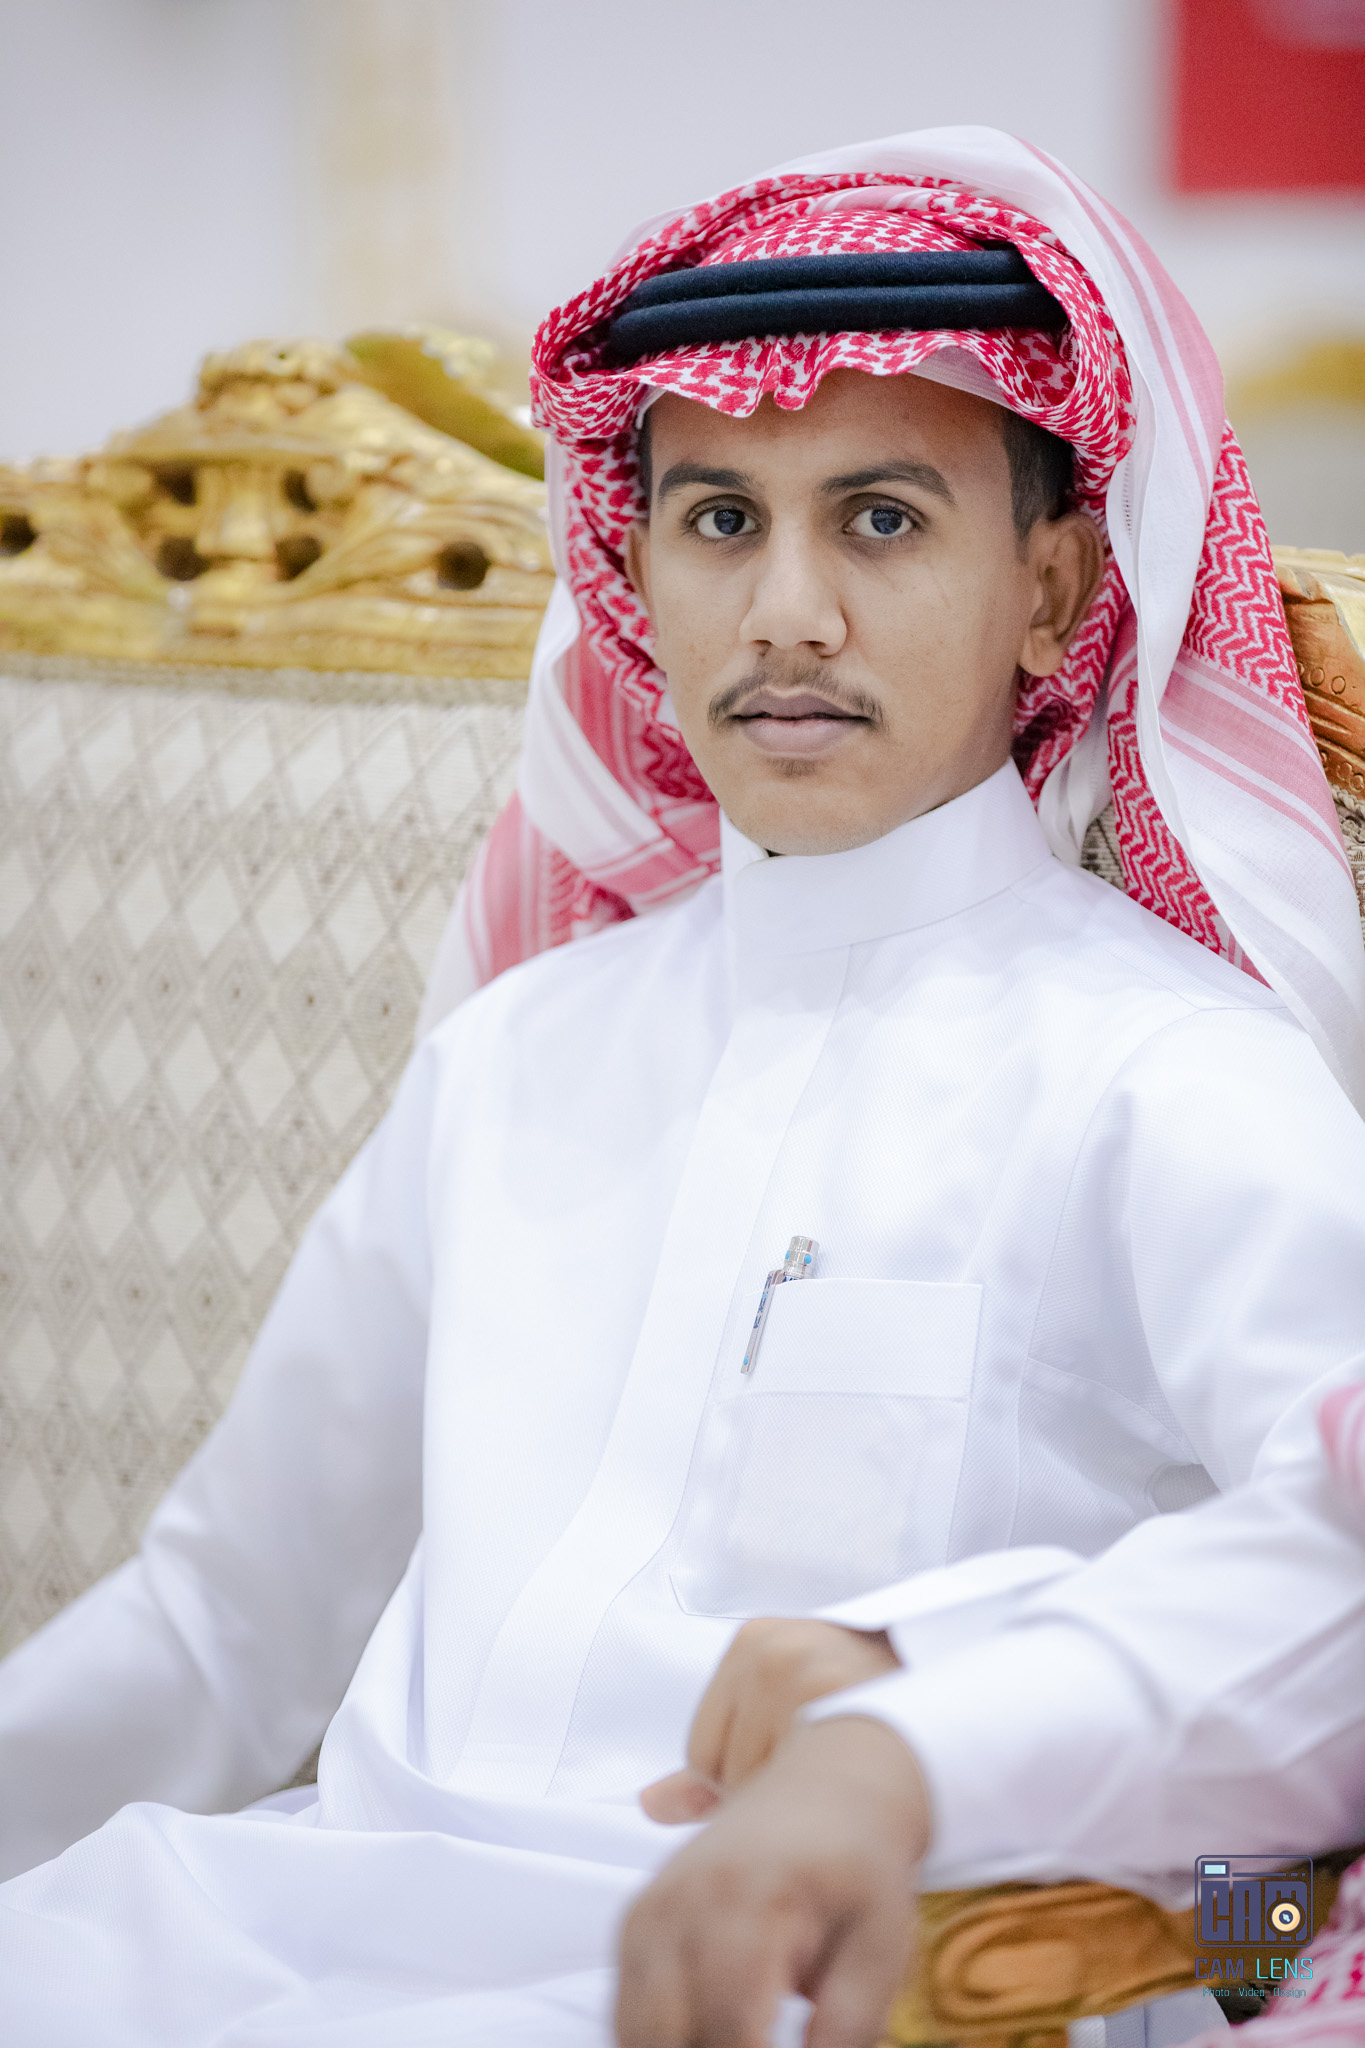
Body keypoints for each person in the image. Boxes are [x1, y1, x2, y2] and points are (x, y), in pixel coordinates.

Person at [2, 126, 1365, 2048]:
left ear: (1054, 590)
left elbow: (1337, 1562)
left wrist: (929, 1706)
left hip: (820, 1983)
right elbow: (228, 1622)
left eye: (878, 519)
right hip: (290, 1924)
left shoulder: (1168, 1078)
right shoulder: (518, 1053)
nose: (785, 609)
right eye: (720, 519)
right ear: (633, 571)